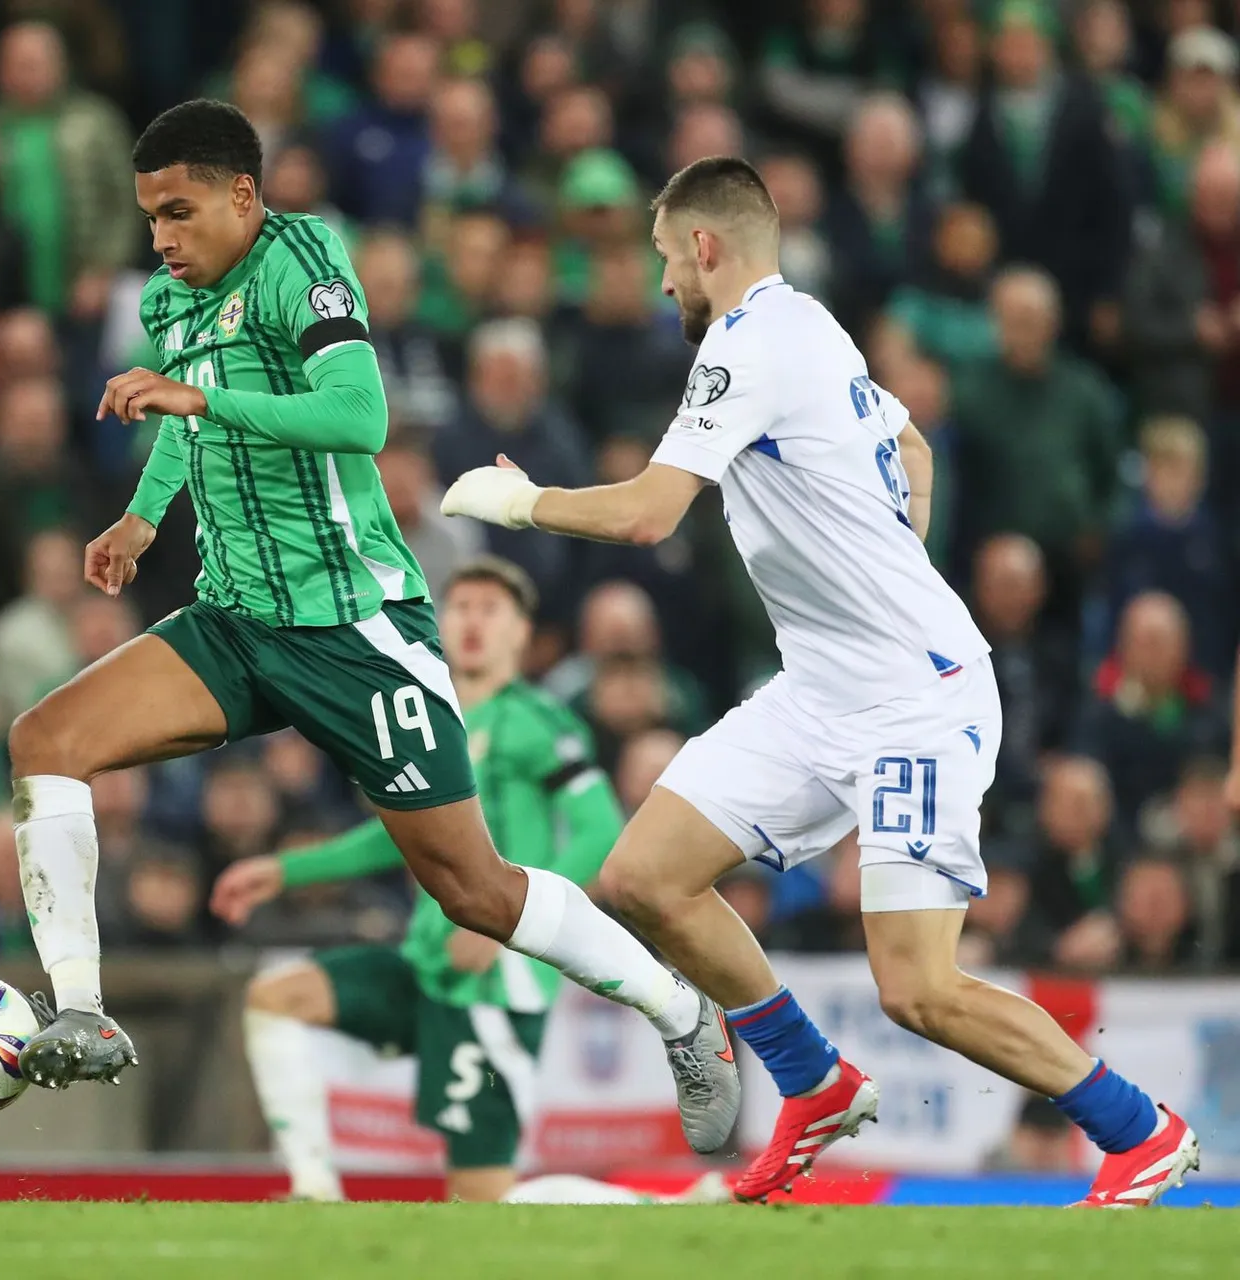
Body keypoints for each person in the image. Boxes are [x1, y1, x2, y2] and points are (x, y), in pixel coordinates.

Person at [439, 155, 1198, 1209]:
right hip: (823, 688)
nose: (663, 282)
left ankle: (1141, 1131)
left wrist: (521, 503)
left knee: (918, 988)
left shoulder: (747, 344)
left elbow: (650, 513)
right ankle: (812, 1079)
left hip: (914, 701)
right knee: (646, 875)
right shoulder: (814, 327)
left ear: (705, 245)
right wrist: (889, 565)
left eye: (666, 258)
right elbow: (913, 445)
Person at [3, 101, 736, 1155]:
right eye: (150, 217)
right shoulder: (170, 298)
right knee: (45, 739)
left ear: (243, 196)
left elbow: (360, 417)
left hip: (356, 627)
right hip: (236, 619)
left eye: (179, 212)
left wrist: (199, 404)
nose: (160, 238)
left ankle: (679, 1010)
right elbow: (182, 412)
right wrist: (144, 515)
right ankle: (82, 1009)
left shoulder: (306, 261)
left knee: (474, 889)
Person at [211, 557, 627, 1202]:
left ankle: (662, 1205)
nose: (472, 622)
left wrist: (514, 922)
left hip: (495, 984)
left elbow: (601, 832)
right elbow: (401, 833)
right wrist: (287, 869)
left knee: (483, 1200)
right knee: (276, 996)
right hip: (430, 963)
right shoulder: (428, 717)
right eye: (460, 607)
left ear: (521, 632)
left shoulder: (538, 723)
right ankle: (314, 1191)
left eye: (491, 609)